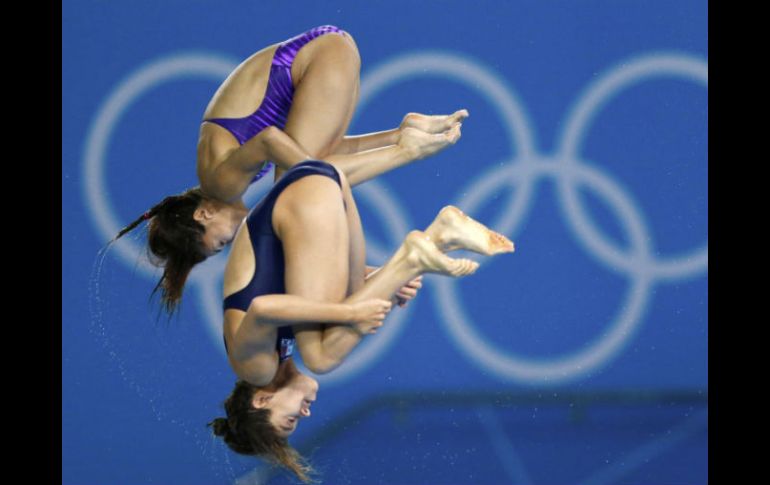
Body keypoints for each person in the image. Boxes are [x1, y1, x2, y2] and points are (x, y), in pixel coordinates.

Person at [113, 25, 468, 314]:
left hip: (319, 58)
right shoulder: (223, 176)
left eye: (220, 241)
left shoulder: (219, 183)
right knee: (301, 183)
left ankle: (408, 152)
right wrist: (391, 137)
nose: (231, 240)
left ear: (204, 213)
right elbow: (318, 150)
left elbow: (270, 139)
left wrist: (318, 182)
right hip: (327, 52)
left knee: (295, 188)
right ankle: (408, 134)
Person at [208, 158, 514, 481]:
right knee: (337, 320)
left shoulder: (253, 367)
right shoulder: (279, 354)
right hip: (326, 183)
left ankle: (413, 258)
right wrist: (381, 280)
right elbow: (303, 271)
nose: (306, 412)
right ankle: (438, 237)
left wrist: (349, 313)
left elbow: (262, 308)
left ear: (262, 399)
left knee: (321, 356)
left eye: (290, 420)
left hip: (305, 196)